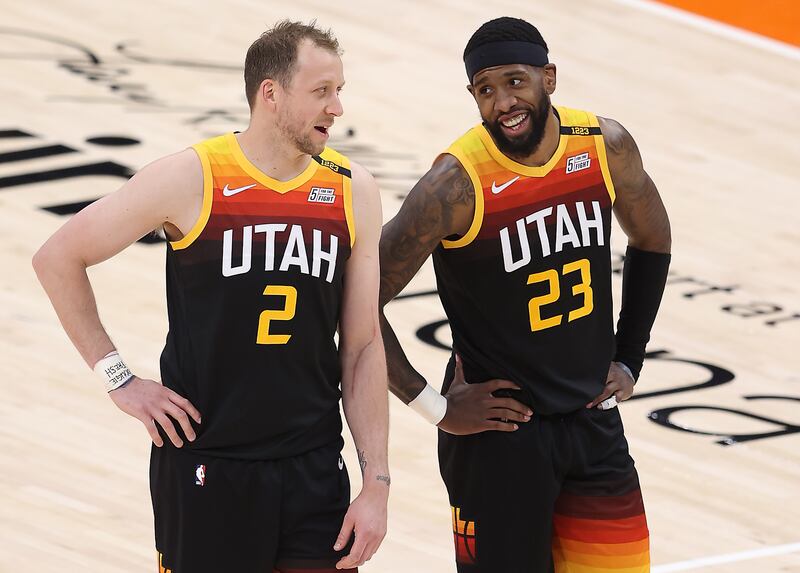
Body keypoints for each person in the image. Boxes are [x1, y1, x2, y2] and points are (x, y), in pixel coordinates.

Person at [33, 20, 389, 573]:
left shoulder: (352, 190)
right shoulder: (194, 177)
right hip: (206, 464)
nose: (337, 108)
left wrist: (378, 482)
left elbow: (363, 348)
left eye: (340, 90)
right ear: (270, 94)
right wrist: (119, 380)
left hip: (312, 468)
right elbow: (57, 258)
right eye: (322, 92)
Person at [379, 16, 671, 573]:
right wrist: (433, 406)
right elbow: (358, 298)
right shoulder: (456, 184)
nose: (503, 102)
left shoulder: (603, 145)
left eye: (515, 81)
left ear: (549, 78)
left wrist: (630, 356)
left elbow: (653, 237)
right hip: (500, 439)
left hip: (592, 422)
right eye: (485, 90)